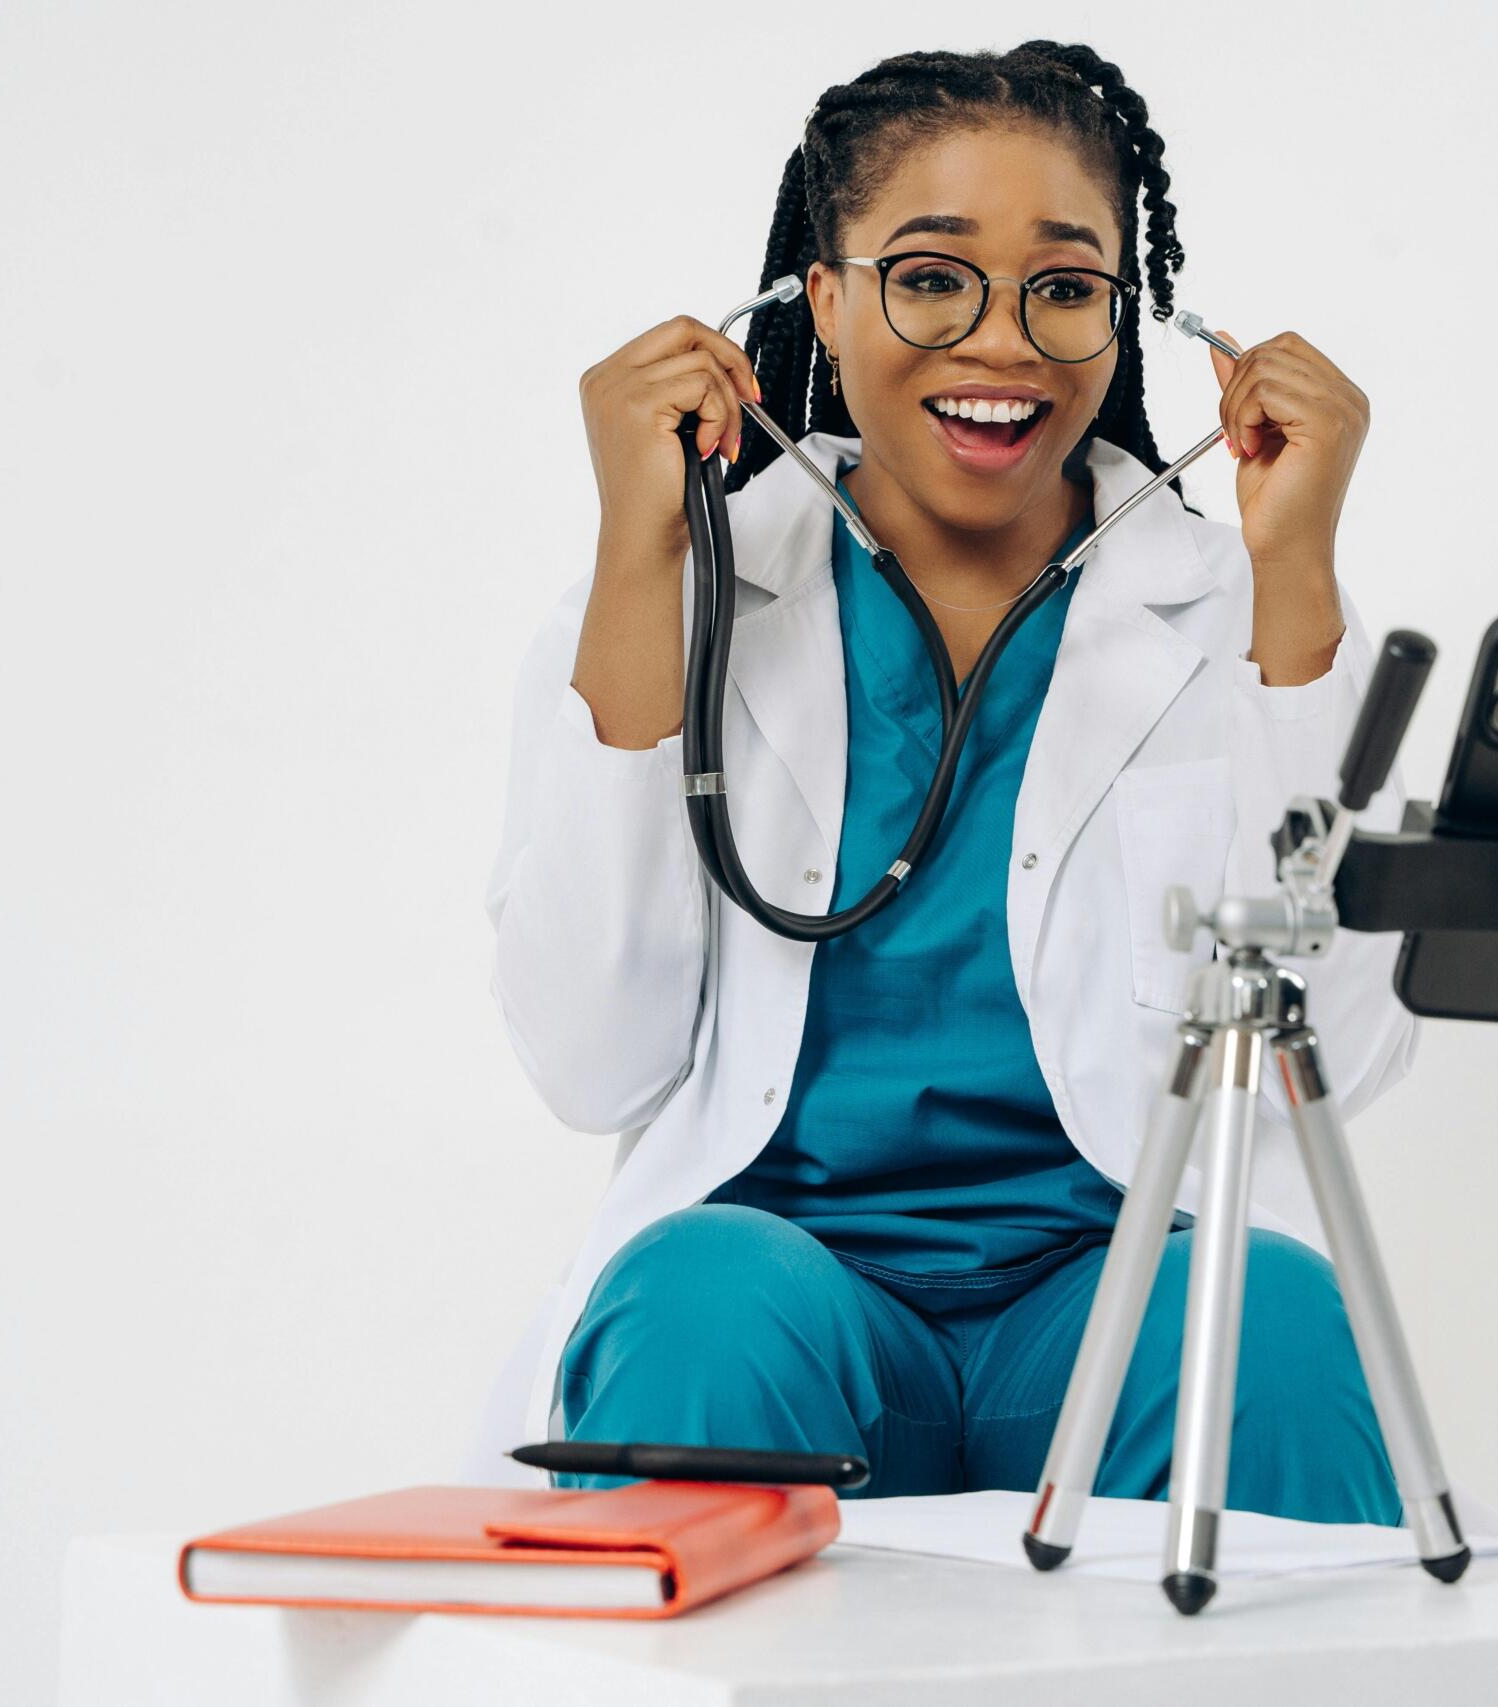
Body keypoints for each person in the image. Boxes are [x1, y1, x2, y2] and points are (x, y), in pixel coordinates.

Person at [465, 41, 1419, 1526]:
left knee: (1265, 1322)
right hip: (794, 1297)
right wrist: (637, 557)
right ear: (824, 305)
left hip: (1108, 1295)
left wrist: (1296, 565)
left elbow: (1340, 1058)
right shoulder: (693, 594)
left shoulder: (1235, 605)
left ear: (1125, 313)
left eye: (1065, 285)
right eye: (929, 277)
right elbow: (593, 1063)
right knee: (704, 1305)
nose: (1006, 343)